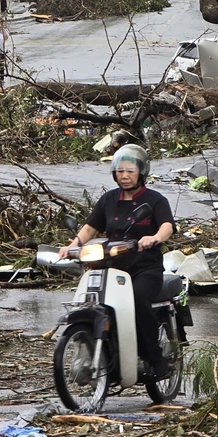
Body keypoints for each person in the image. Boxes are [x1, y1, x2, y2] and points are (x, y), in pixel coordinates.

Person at [58, 144, 174, 379]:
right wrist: (72, 246)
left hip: (145, 268)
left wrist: (154, 238)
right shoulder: (108, 200)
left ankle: (154, 358)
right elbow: (91, 227)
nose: (125, 176)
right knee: (94, 302)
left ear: (141, 173)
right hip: (113, 267)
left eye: (130, 171)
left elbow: (167, 226)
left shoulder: (154, 200)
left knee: (138, 300)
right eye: (120, 171)